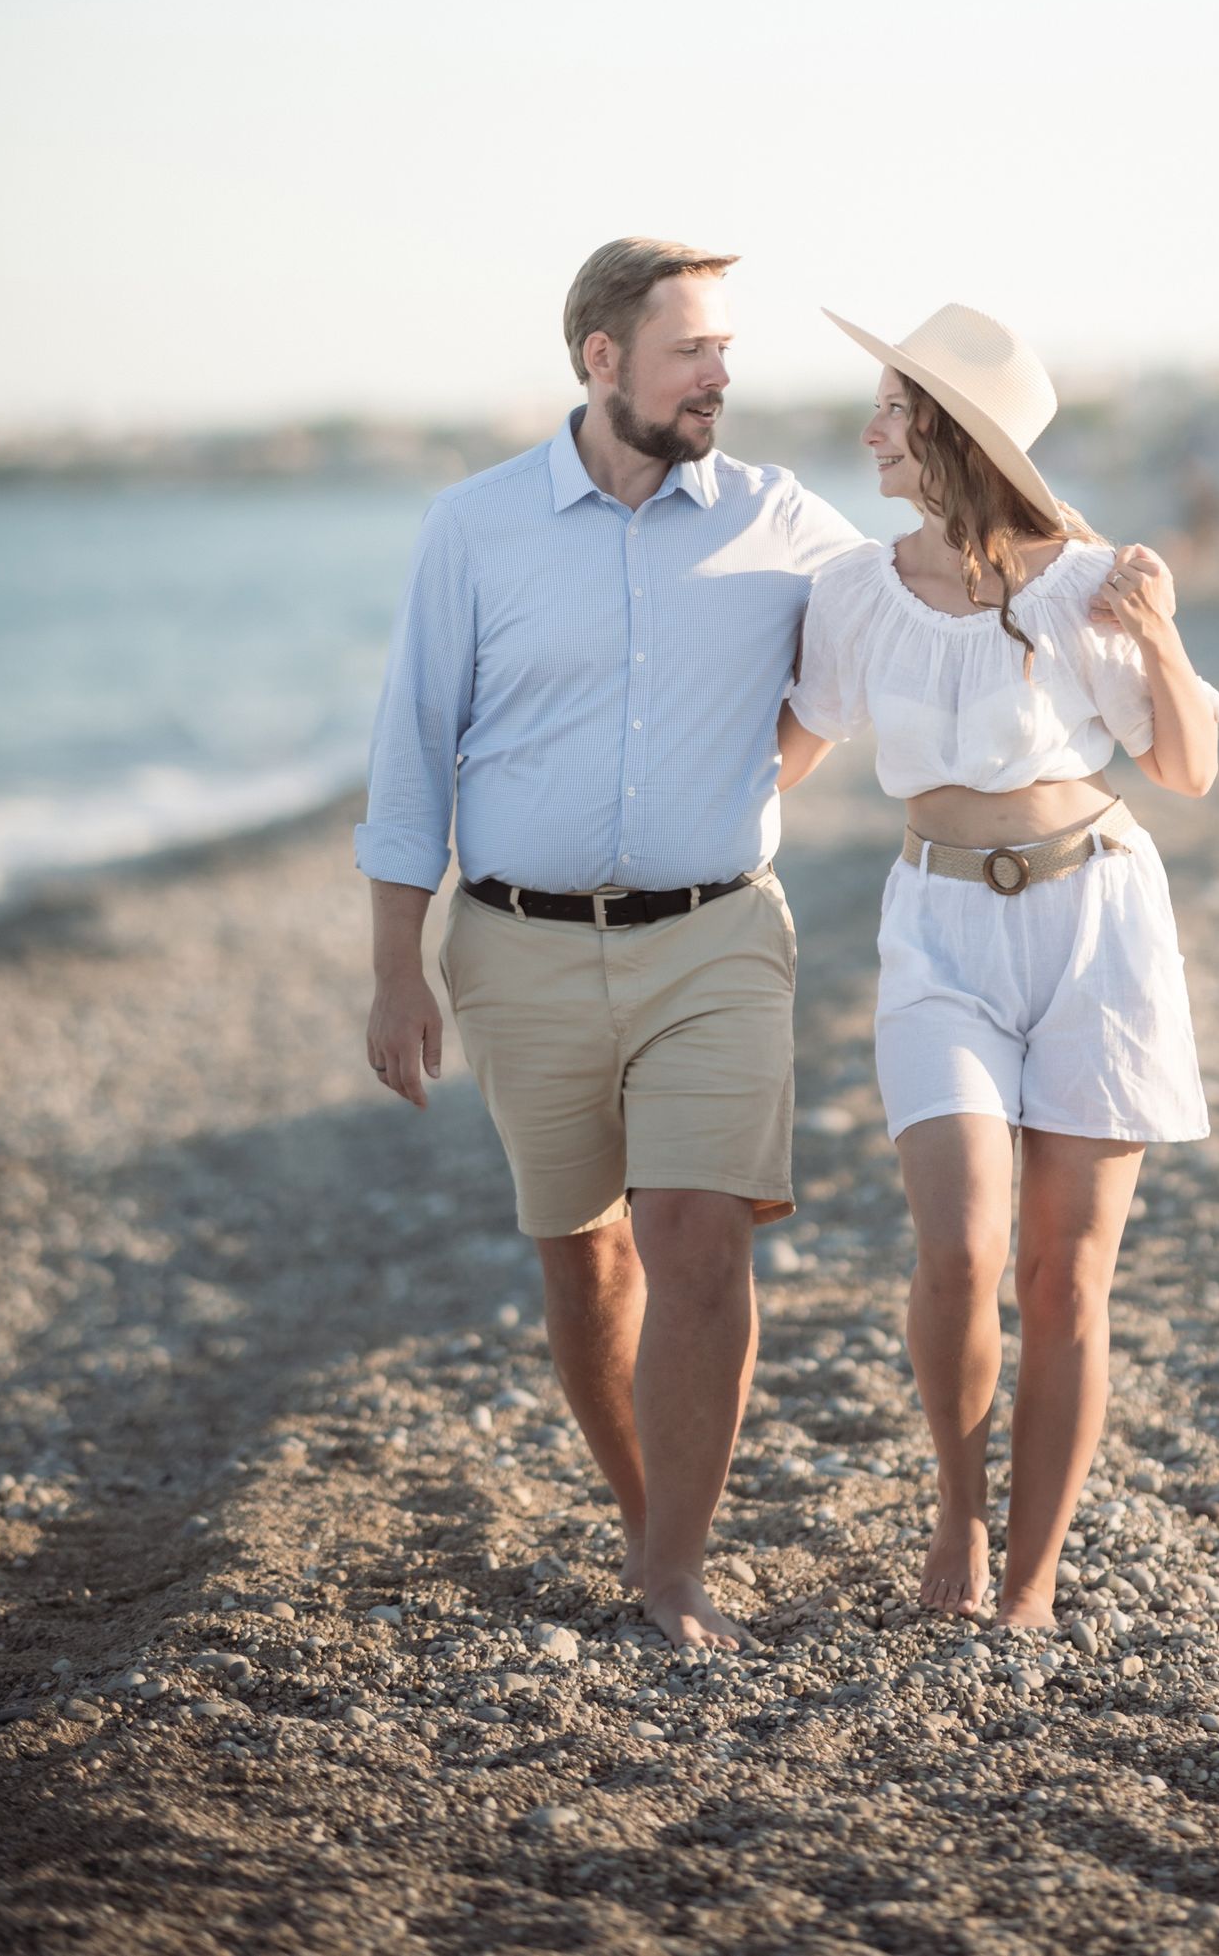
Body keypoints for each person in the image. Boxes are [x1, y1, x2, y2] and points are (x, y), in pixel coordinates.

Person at [356, 239, 862, 1649]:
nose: (719, 374)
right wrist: (398, 970)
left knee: (698, 1235)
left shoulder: (781, 517)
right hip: (515, 948)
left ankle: (676, 1571)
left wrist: (773, 763)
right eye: (691, 347)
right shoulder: (475, 525)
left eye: (726, 350)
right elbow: (413, 754)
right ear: (600, 358)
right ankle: (651, 1516)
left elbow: (890, 622)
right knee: (586, 1256)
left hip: (716, 940)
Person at [776, 302, 1219, 1627]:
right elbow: (786, 749)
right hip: (938, 932)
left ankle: (1030, 1581)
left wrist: (1156, 630)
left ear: (952, 431)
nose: (870, 427)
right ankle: (961, 1519)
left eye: (892, 405)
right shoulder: (857, 591)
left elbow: (1188, 768)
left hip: (1096, 922)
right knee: (961, 1247)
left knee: (1066, 1272)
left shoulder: (1085, 581)